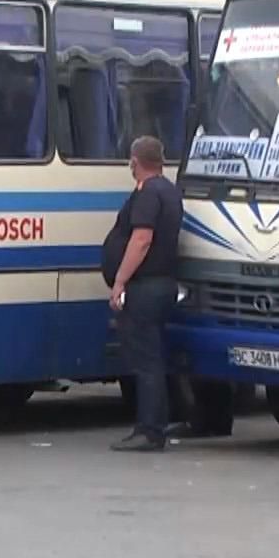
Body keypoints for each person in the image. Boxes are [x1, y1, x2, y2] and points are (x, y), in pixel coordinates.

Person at [103, 135, 184, 453]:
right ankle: (156, 424)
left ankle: (150, 430)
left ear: (135, 162)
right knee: (153, 357)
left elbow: (141, 240)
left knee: (146, 360)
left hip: (145, 286)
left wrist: (120, 281)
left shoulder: (149, 194)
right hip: (162, 284)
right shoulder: (169, 190)